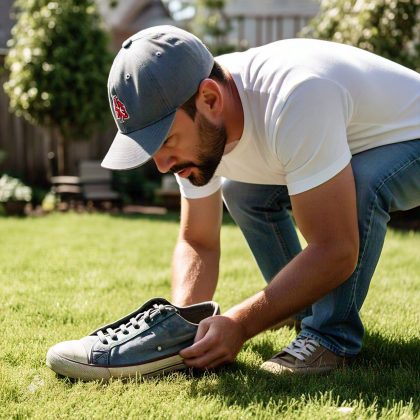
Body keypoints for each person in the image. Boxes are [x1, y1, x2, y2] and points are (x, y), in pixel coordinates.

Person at [101, 25, 420, 374]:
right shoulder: (196, 107)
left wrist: (240, 323)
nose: (162, 165)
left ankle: (329, 339)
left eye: (166, 141)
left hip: (411, 137)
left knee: (361, 184)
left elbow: (336, 249)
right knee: (242, 190)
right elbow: (198, 241)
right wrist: (182, 328)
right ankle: (299, 309)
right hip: (353, 143)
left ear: (210, 100)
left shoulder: (293, 97)